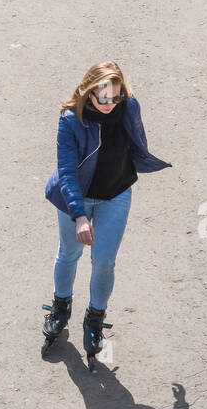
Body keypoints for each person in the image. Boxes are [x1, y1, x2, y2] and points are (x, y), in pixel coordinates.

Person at [42, 60, 171, 367]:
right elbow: (68, 172)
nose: (110, 104)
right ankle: (61, 307)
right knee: (69, 254)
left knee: (104, 262)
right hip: (78, 199)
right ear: (89, 92)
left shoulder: (129, 108)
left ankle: (95, 318)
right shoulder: (70, 120)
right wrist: (79, 215)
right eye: (103, 98)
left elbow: (136, 140)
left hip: (116, 194)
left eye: (116, 97)